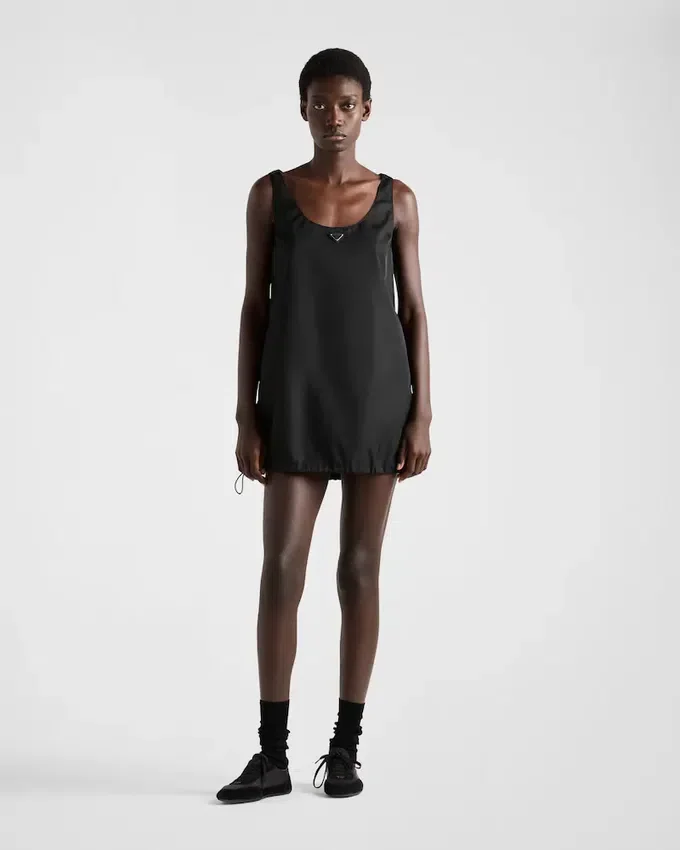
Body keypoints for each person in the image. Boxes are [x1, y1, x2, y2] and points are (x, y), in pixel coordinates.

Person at [216, 47, 431, 803]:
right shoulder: (270, 195)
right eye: (320, 103)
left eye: (346, 104)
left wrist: (422, 413)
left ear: (366, 110)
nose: (333, 117)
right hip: (295, 398)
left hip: (376, 401)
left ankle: (344, 750)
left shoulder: (397, 199)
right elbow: (255, 307)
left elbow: (413, 309)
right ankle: (272, 755)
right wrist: (246, 414)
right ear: (302, 108)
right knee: (281, 569)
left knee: (359, 571)